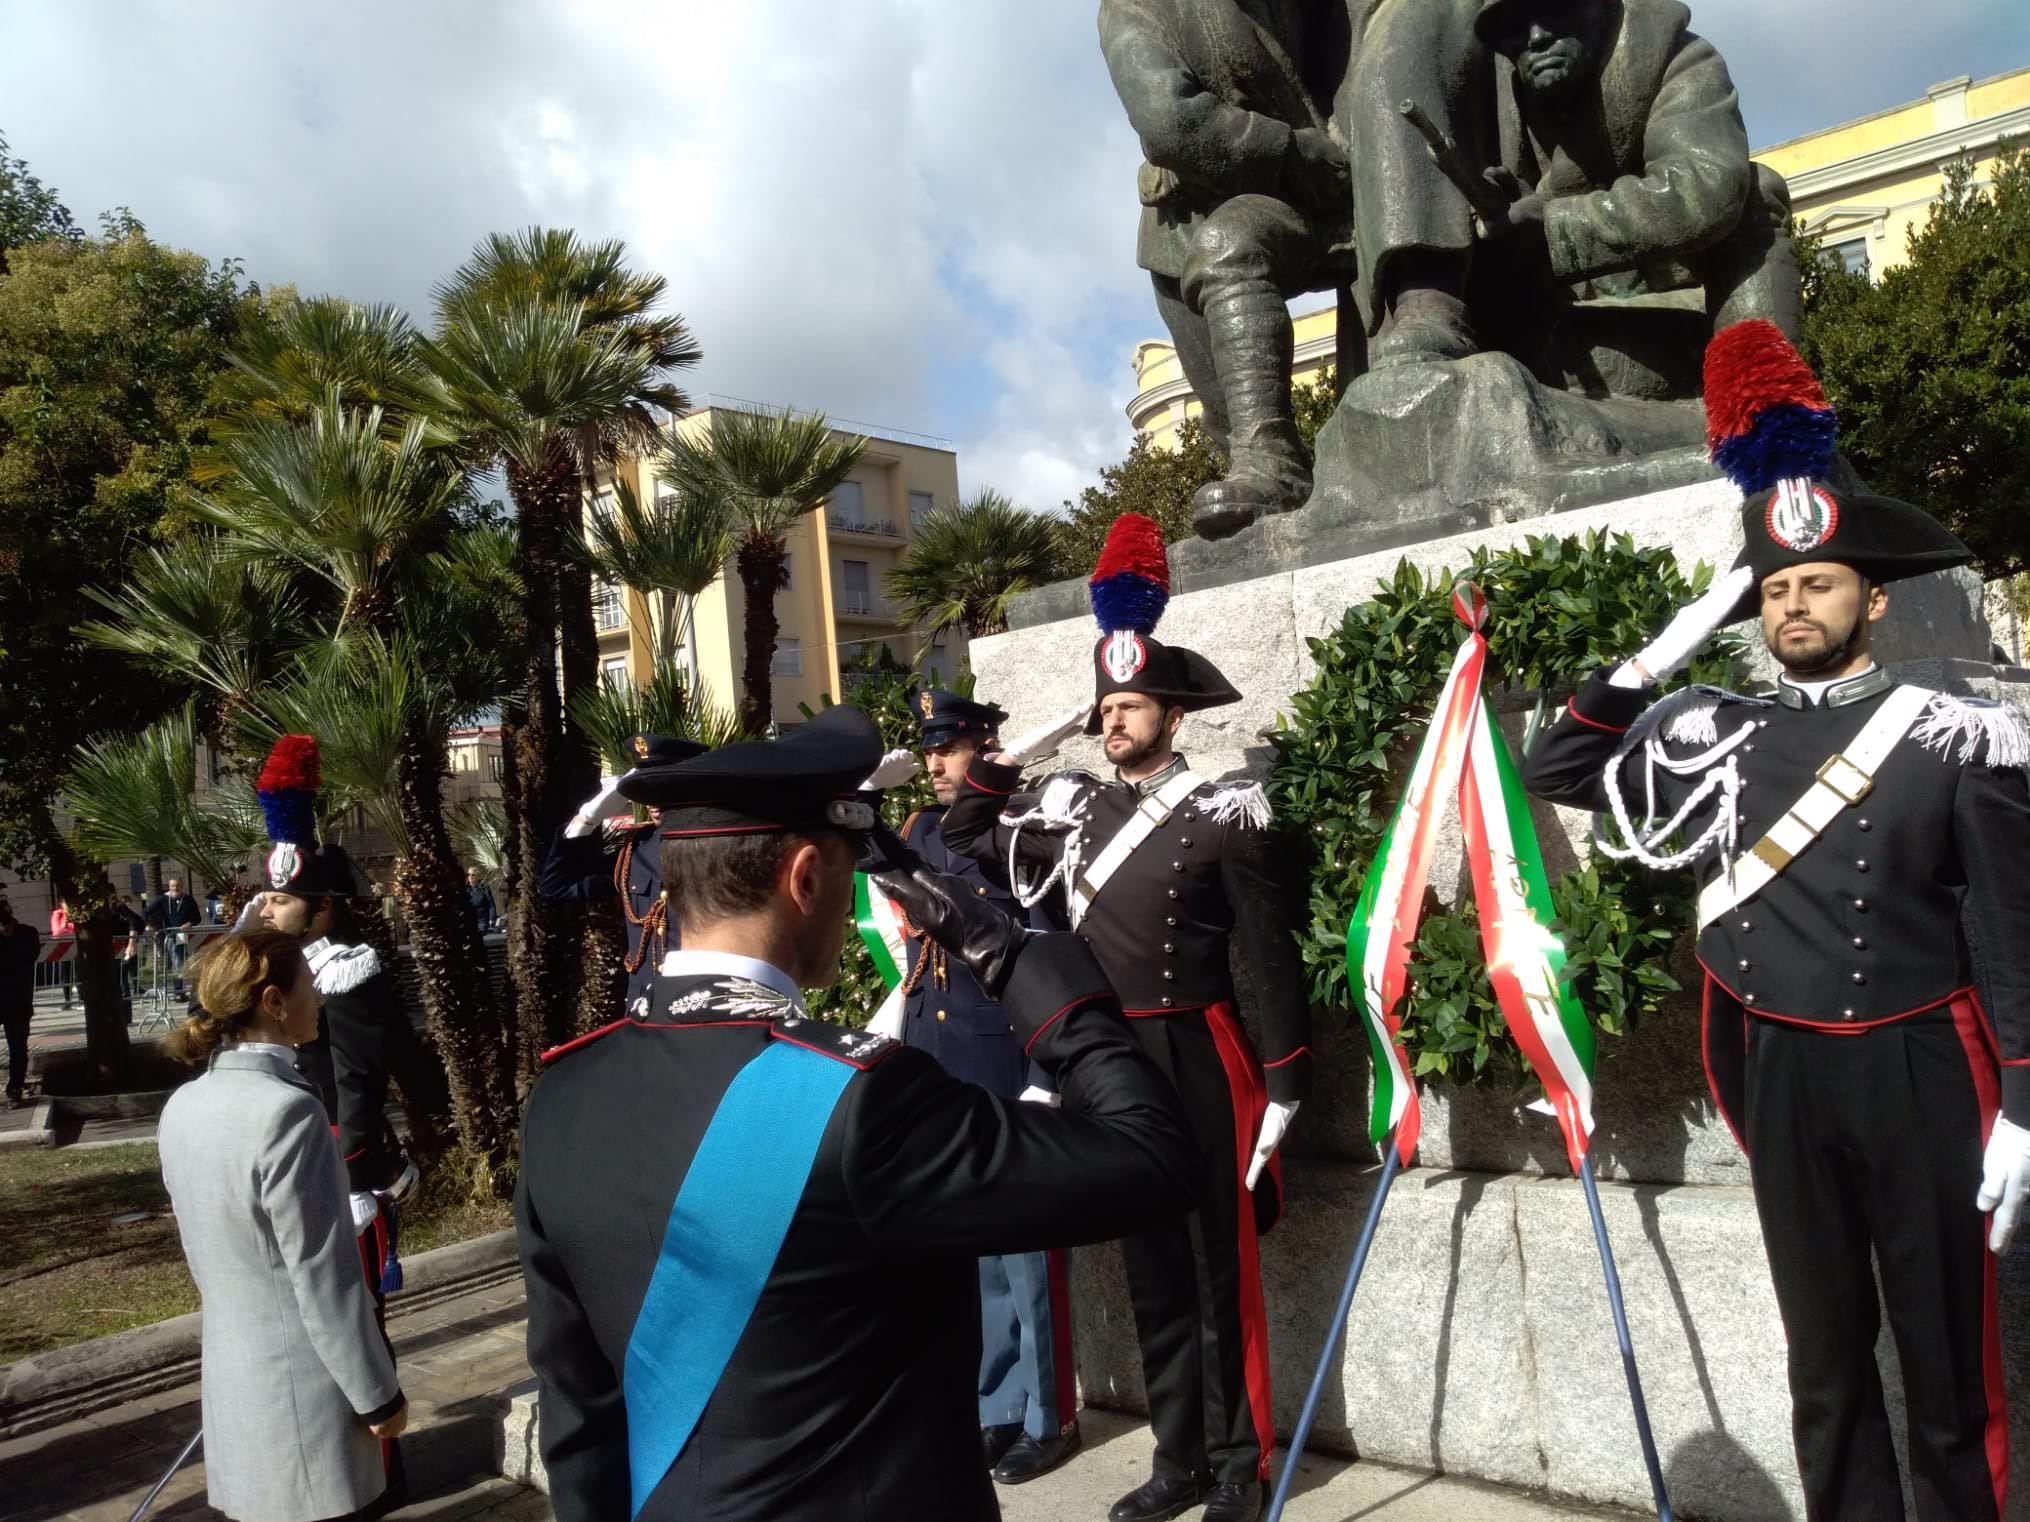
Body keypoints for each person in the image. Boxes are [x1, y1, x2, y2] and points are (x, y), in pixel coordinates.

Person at [1522, 320, 2030, 1522]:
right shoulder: (1716, 734)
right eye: (1775, 589)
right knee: (1824, 1362)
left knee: (1949, 1361)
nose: (1793, 604)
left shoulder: (1955, 734)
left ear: (1871, 597)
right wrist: (1673, 636)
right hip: (1784, 1067)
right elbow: (1555, 767)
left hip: (1918, 1064)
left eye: (1817, 583)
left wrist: (2021, 1095)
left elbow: (2012, 931)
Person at [514, 704, 1202, 1522]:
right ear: (805, 877)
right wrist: (1021, 964)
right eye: (849, 872)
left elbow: (579, 1421)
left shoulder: (559, 1098)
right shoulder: (865, 1101)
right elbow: (1155, 1159)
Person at [943, 515, 1311, 1522]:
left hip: (1195, 1048)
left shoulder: (1222, 811)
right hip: (1108, 1063)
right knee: (1149, 1269)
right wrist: (1056, 722)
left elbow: (1265, 954)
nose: (1113, 723)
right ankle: (1177, 1456)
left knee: (1215, 1268)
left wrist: (1282, 1079)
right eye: (1104, 707)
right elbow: (963, 827)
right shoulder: (1070, 808)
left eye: (1129, 705)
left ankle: (1239, 1461)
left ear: (1173, 715)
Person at [1342, 0, 1795, 378]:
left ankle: (1770, 430)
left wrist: (1549, 227)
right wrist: (1505, 226)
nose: (1535, 37)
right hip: (1564, 343)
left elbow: (1708, 187)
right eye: (1514, 29)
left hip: (1686, 324)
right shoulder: (1501, 98)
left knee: (1759, 192)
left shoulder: (1679, 60)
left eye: (1554, 10)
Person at [158, 929, 408, 1522]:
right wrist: (379, 1395)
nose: (318, 999)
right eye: (308, 987)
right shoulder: (289, 1111)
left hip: (235, 1378)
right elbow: (324, 1279)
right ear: (273, 1001)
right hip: (308, 1396)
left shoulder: (183, 1106)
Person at [897, 689, 1082, 1485]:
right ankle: (997, 1404)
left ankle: (1050, 1415)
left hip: (1008, 1059)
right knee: (976, 1248)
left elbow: (1051, 946)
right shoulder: (918, 830)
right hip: (940, 1058)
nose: (935, 761)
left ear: (986, 746)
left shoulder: (1020, 828)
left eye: (949, 745)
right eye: (929, 748)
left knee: (1029, 1251)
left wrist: (1048, 1072)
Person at [1099, 0, 1355, 538]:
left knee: (1223, 247)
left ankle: (1272, 462)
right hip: (1215, 206)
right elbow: (1168, 122)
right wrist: (1291, 153)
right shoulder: (1135, 7)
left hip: (1354, 178)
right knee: (1232, 428)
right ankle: (1270, 470)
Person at [539, 733, 705, 1012]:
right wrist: (587, 818)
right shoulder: (637, 849)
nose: (653, 801)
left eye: (663, 787)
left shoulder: (718, 846)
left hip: (698, 999)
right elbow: (557, 885)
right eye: (645, 789)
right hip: (644, 1005)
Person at [0, 899, 39, 1107]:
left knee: (18, 1048)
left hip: (18, 1000)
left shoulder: (27, 934)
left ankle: (15, 1088)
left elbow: (28, 957)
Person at [148, 876, 203, 1000]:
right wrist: (150, 926)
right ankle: (178, 991)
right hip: (170, 935)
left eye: (177, 886)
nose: (175, 888)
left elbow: (197, 918)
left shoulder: (188, 900)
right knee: (177, 960)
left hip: (184, 934)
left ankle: (183, 989)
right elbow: (146, 911)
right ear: (169, 886)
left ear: (182, 886)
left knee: (183, 961)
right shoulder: (163, 899)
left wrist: (189, 923)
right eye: (172, 886)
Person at [48, 900, 74, 1008]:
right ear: (62, 904)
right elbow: (57, 932)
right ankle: (67, 1000)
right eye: (67, 903)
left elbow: (76, 930)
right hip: (63, 948)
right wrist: (65, 925)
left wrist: (68, 929)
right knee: (66, 974)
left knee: (79, 973)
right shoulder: (57, 915)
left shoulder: (75, 915)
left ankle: (82, 998)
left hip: (75, 946)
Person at [465, 868, 498, 935]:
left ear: (478, 876)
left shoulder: (484, 888)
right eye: (468, 874)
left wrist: (492, 918)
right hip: (468, 919)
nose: (470, 877)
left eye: (473, 875)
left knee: (480, 937)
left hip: (481, 919)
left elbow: (491, 904)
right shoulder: (464, 888)